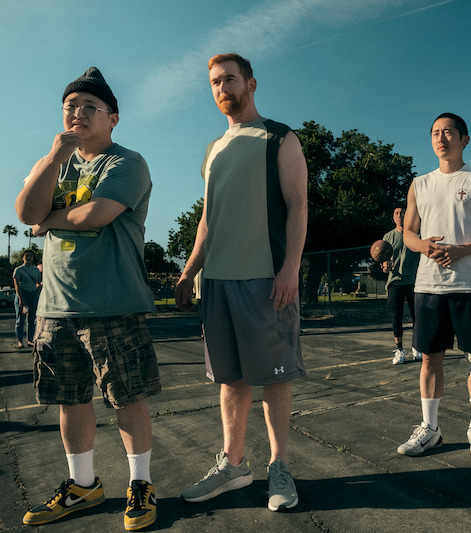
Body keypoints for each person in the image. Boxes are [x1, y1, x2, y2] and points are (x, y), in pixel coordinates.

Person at [15, 67, 159, 531]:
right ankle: (83, 485)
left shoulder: (126, 162)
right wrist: (54, 160)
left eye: (88, 107)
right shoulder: (56, 161)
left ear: (112, 118)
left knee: (126, 397)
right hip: (55, 306)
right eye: (69, 107)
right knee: (69, 399)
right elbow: (24, 212)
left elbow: (97, 215)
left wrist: (49, 219)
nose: (76, 113)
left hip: (112, 303)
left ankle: (141, 484)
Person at [175, 53, 308, 513]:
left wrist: (290, 267)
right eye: (214, 82)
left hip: (265, 278)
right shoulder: (214, 149)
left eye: (229, 78)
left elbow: (297, 206)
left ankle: (279, 466)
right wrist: (190, 270)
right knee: (230, 380)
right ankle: (234, 465)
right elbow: (208, 219)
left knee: (275, 377)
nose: (221, 87)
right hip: (217, 281)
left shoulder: (279, 136)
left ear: (251, 84)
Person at [398, 112, 471, 459]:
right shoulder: (420, 183)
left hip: (470, 285)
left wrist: (463, 250)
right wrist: (423, 245)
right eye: (434, 133)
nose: (441, 138)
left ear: (464, 139)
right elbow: (409, 233)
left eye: (448, 132)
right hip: (428, 286)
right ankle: (430, 429)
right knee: (430, 360)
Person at [381, 207, 421, 365]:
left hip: (413, 281)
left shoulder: (416, 235)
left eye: (402, 212)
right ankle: (400, 350)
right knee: (396, 317)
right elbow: (384, 266)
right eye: (396, 213)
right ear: (393, 217)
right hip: (395, 282)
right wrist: (386, 267)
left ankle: (417, 347)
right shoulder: (388, 237)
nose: (399, 215)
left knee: (416, 316)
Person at [13, 249, 40, 348]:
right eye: (26, 256)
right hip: (22, 294)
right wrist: (20, 298)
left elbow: (39, 282)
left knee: (32, 320)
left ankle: (30, 340)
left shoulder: (36, 270)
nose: (29, 258)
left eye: (31, 256)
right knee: (20, 319)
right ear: (22, 258)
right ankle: (20, 341)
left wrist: (36, 293)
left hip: (33, 294)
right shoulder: (18, 270)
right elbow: (17, 285)